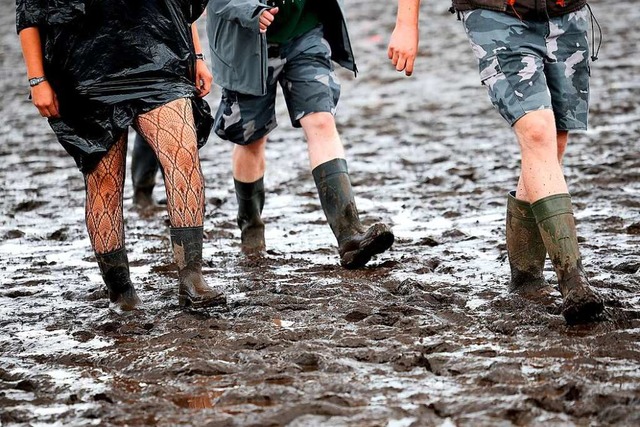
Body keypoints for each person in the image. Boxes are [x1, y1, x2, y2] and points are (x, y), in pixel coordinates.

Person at [388, 0, 604, 324]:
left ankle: (526, 280)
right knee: (536, 130)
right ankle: (573, 280)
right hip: (497, 12)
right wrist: (407, 23)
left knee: (553, 139)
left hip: (564, 13)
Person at [17, 0, 225, 310]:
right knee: (105, 182)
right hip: (86, 67)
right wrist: (37, 79)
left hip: (160, 56)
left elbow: (183, 6)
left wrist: (197, 56)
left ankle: (191, 280)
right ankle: (121, 291)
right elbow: (30, 11)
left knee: (183, 158)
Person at [206, 0, 395, 269]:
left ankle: (350, 235)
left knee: (321, 122)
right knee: (251, 141)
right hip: (245, 43)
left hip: (304, 33)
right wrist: (249, 10)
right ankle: (251, 231)